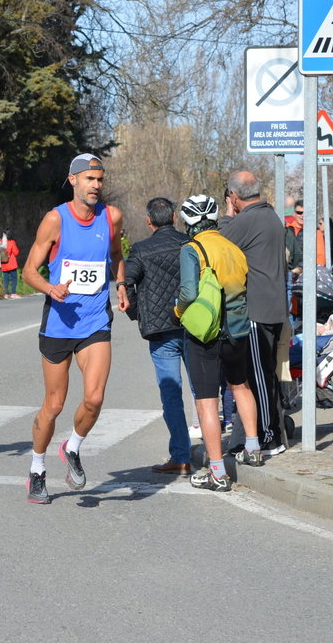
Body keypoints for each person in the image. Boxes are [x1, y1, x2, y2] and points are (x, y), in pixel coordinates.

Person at [24, 153, 126, 504]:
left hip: (95, 322)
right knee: (53, 405)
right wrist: (50, 288)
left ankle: (73, 446)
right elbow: (29, 271)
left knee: (94, 398)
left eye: (100, 179)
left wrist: (123, 284)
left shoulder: (111, 217)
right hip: (59, 323)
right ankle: (37, 469)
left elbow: (116, 254)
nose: (97, 185)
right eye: (90, 179)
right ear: (73, 180)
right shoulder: (55, 220)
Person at [176, 195, 262, 491]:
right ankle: (253, 448)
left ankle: (217, 472)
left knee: (207, 402)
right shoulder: (233, 247)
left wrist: (178, 312)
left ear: (187, 221)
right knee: (241, 387)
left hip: (207, 335)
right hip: (238, 331)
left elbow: (187, 293)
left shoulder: (191, 249)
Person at [120, 197, 193, 475]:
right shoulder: (189, 243)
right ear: (174, 217)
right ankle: (213, 455)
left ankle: (181, 456)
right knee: (202, 392)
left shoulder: (140, 249)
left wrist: (139, 314)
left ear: (149, 220)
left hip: (161, 332)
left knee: (171, 394)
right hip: (193, 327)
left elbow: (126, 283)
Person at [220, 171, 288, 455]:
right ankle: (267, 434)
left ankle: (269, 439)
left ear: (234, 197)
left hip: (258, 310)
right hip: (273, 307)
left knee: (260, 378)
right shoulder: (271, 215)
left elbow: (219, 240)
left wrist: (226, 213)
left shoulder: (247, 219)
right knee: (266, 375)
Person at [0, 228, 20, 298]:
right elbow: (16, 252)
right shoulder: (12, 242)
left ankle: (6, 293)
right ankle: (13, 292)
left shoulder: (0, 242)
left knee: (5, 278)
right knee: (14, 278)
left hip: (3, 263)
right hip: (11, 263)